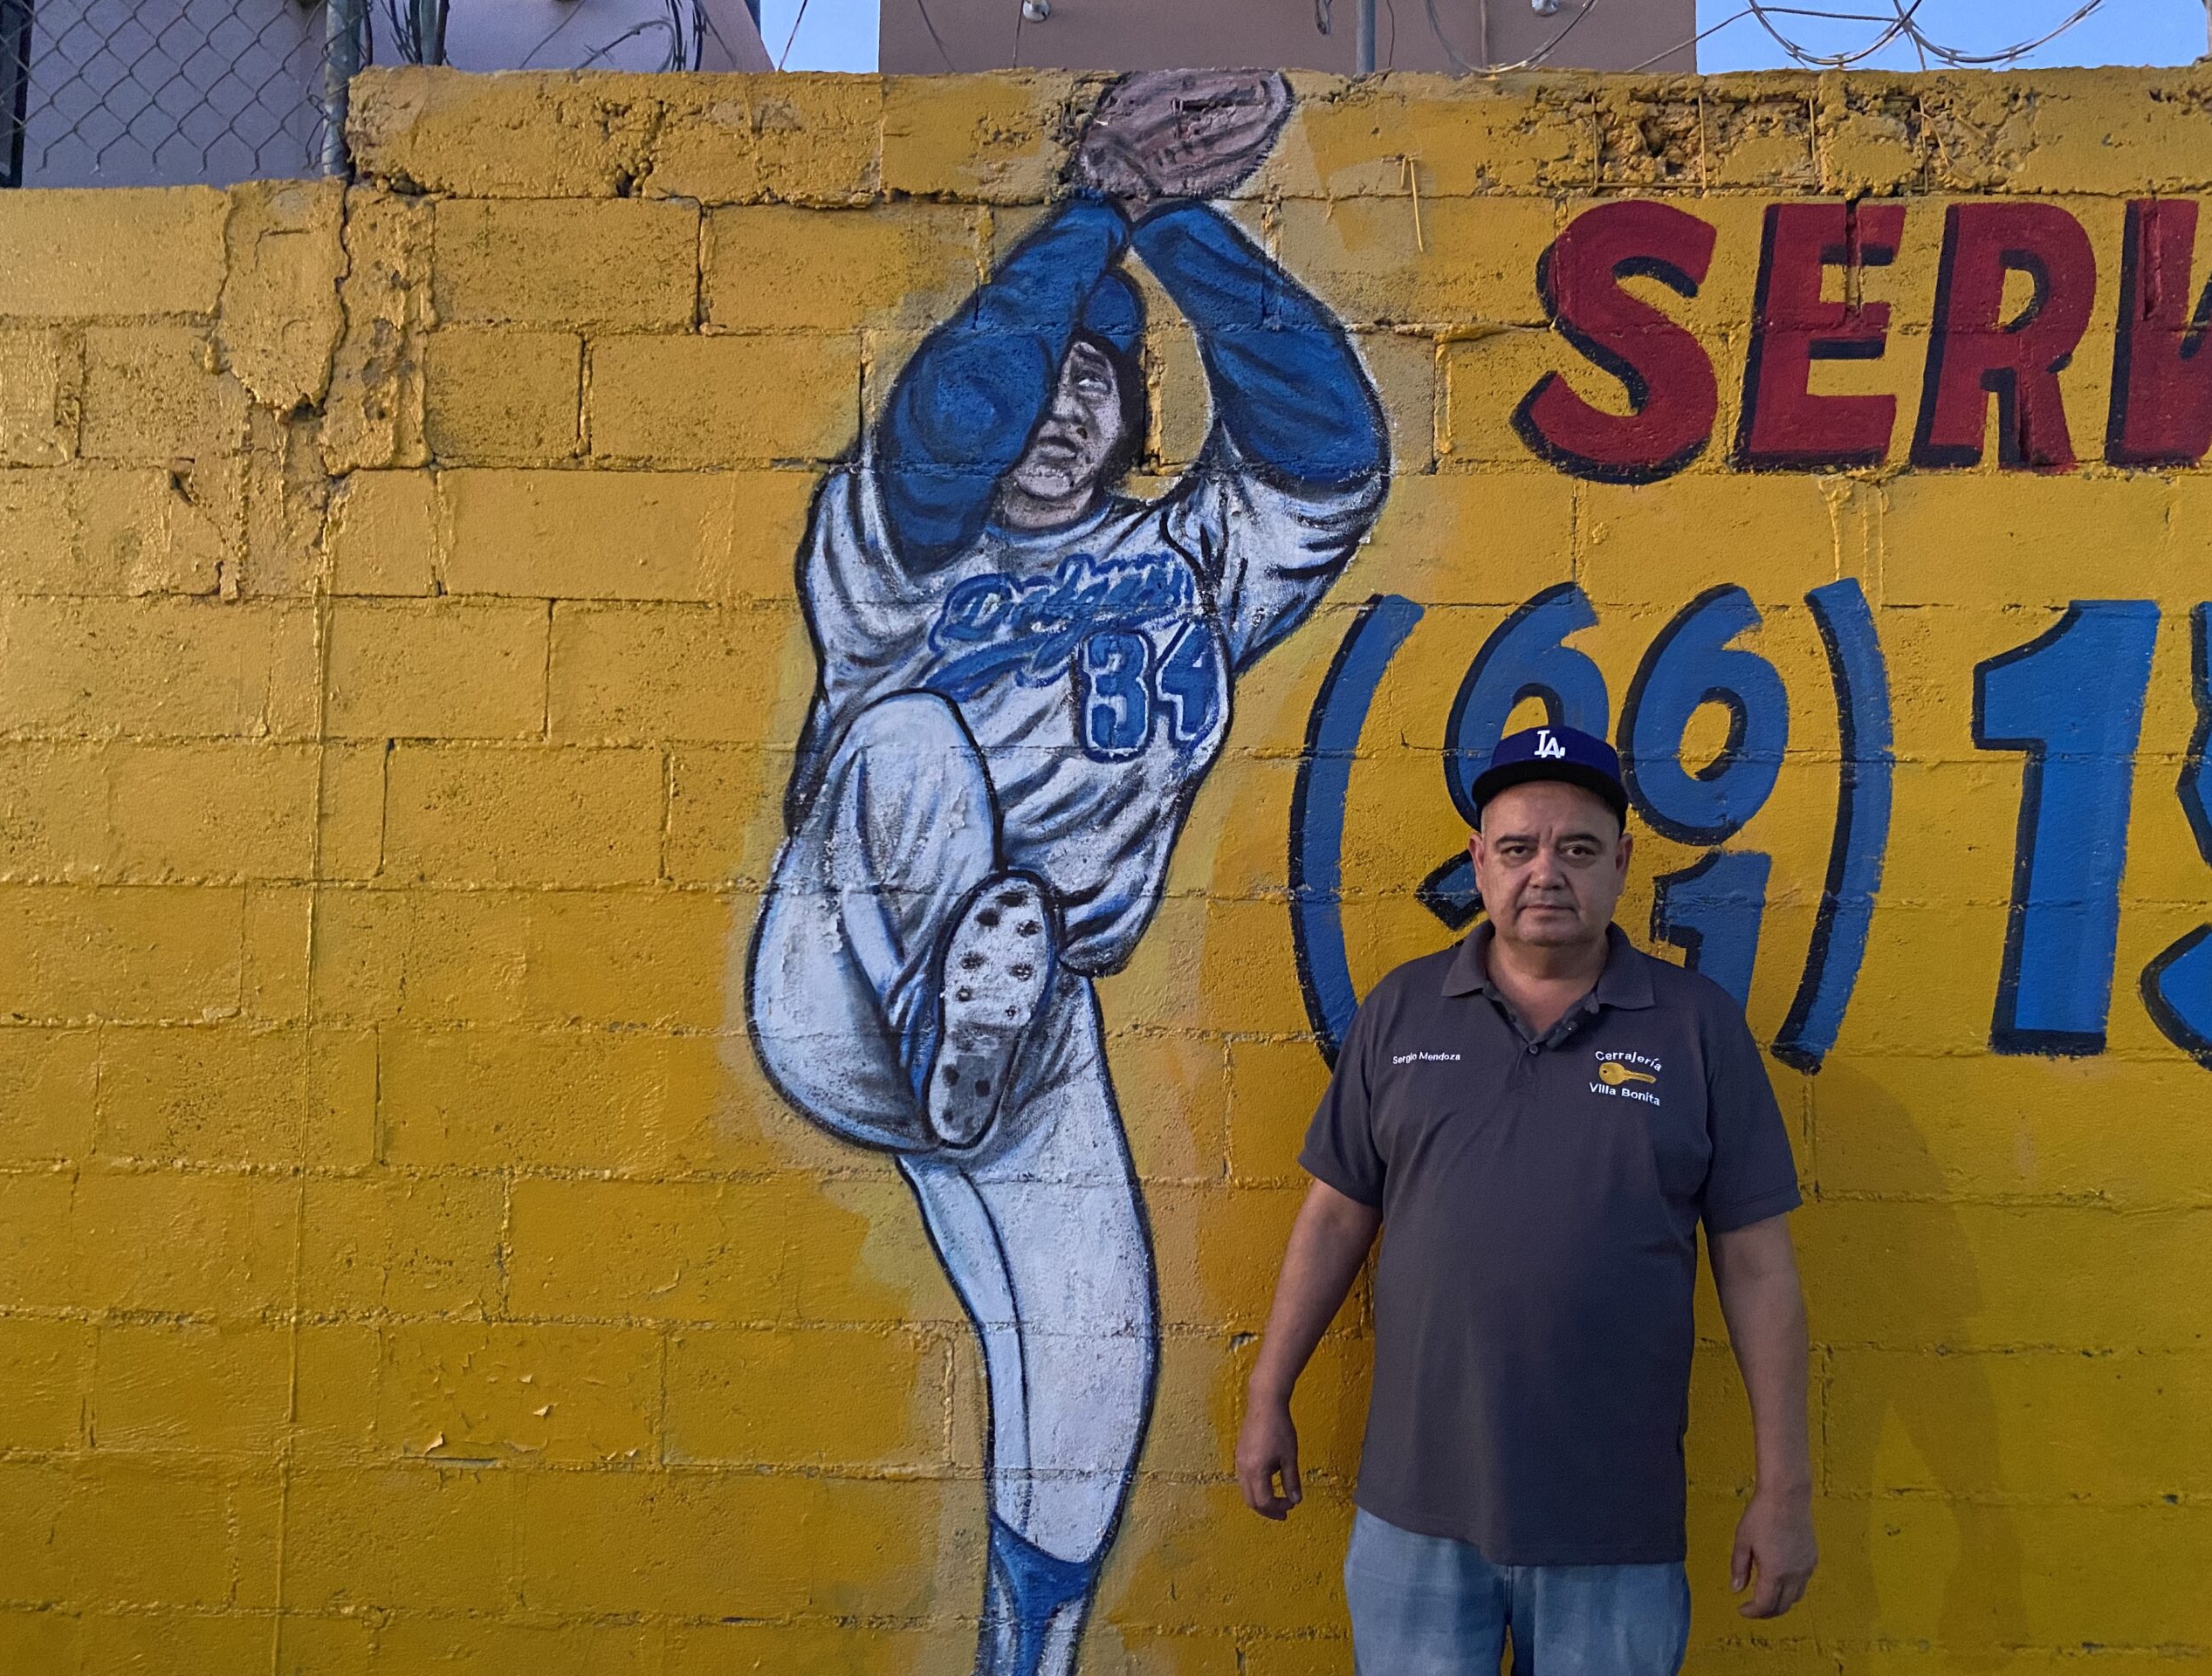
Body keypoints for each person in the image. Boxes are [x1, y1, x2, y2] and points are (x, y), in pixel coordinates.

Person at [747, 71, 1388, 1676]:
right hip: (848, 978)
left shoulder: (1188, 565)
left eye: (1101, 384)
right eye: (1050, 373)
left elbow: (1331, 443)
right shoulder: (895, 552)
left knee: (1094, 1371)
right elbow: (947, 425)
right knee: (911, 760)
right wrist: (1092, 207)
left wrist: (1173, 219)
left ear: (1136, 416)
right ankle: (961, 1010)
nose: (1061, 408)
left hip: (1015, 1027)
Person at [1235, 724, 1817, 1675]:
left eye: (1577, 848)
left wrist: (1783, 1488)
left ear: (1621, 862)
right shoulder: (1402, 1010)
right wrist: (1268, 1394)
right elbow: (1334, 1215)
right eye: (1517, 848)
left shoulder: (1694, 1026)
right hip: (1415, 1512)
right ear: (1478, 860)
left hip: (1612, 1522)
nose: (1545, 872)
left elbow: (1757, 1266)